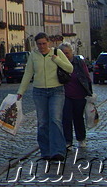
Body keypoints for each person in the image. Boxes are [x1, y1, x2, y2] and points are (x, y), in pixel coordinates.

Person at [17, 33, 73, 161]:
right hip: (39, 92)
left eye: (44, 43)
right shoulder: (33, 56)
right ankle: (46, 151)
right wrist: (21, 91)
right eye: (39, 44)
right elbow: (28, 74)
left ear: (48, 42)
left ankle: (58, 151)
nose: (42, 46)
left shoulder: (57, 52)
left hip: (56, 90)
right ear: (36, 44)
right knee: (42, 122)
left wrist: (57, 60)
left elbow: (70, 69)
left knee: (55, 120)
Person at [59, 42, 92, 149]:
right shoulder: (58, 63)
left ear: (71, 53)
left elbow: (86, 76)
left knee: (78, 118)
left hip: (79, 94)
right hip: (65, 95)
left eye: (67, 53)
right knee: (66, 118)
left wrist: (89, 92)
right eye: (63, 53)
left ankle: (81, 138)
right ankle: (68, 141)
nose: (66, 55)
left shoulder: (78, 62)